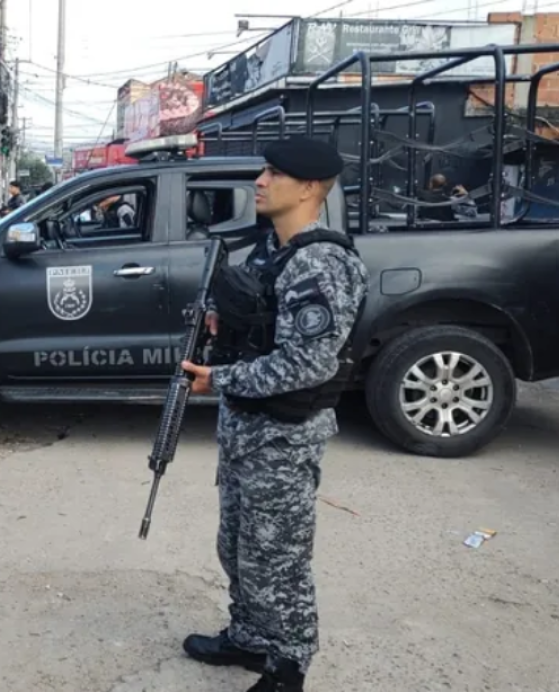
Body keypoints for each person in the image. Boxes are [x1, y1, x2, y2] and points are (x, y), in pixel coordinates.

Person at [178, 137, 369, 692]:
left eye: (274, 173)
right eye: (263, 170)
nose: (259, 181)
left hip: (283, 438)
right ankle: (249, 637)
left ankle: (288, 663)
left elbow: (308, 363)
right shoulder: (273, 251)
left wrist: (220, 379)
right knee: (238, 545)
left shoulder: (324, 263)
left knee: (279, 557)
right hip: (245, 431)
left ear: (309, 188)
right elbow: (260, 317)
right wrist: (222, 319)